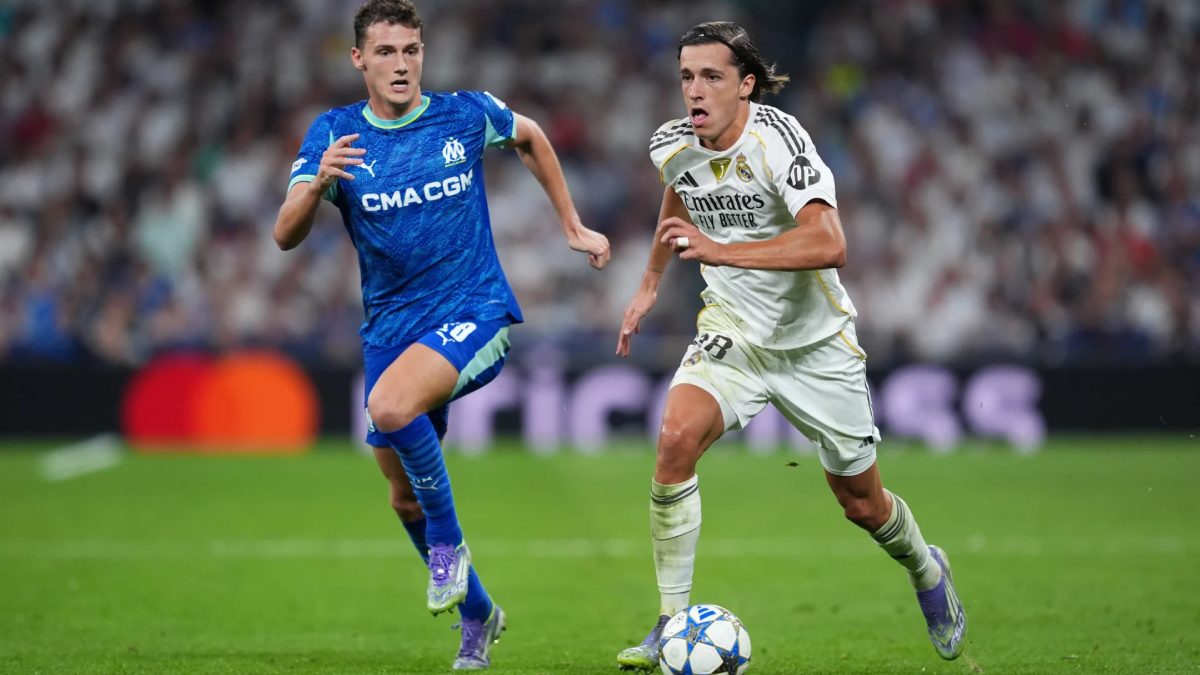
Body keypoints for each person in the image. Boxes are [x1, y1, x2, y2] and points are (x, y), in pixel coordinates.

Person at [614, 21, 966, 670]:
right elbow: (679, 194)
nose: (695, 90)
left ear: (746, 85)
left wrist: (723, 249)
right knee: (673, 441)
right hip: (734, 332)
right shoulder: (673, 143)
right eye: (686, 76)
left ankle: (924, 563)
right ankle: (668, 623)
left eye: (712, 76)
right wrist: (648, 285)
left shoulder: (779, 140)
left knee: (862, 504)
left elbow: (830, 240)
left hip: (815, 346)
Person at [272, 0, 610, 670]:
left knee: (390, 406)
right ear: (358, 59)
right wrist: (317, 188)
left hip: (474, 307)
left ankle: (449, 550)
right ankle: (479, 612)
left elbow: (531, 135)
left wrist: (571, 223)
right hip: (391, 330)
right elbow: (285, 232)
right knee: (401, 493)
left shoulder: (462, 114)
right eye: (387, 52)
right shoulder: (335, 134)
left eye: (412, 50)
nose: (402, 65)